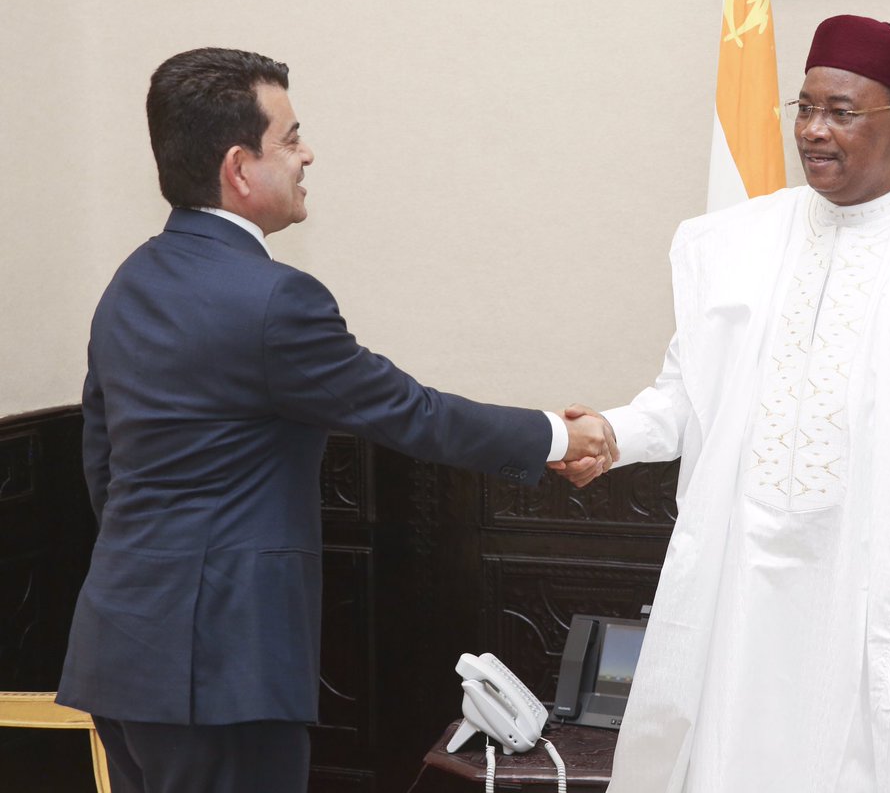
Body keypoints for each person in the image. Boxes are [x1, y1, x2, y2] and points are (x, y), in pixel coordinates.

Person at [555, 15, 890, 793]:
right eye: (804, 108)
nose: (812, 130)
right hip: (744, 585)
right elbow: (682, 398)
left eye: (841, 112)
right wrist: (609, 433)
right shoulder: (734, 244)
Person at [57, 47, 615, 793]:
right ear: (239, 168)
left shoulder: (130, 281)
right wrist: (559, 435)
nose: (307, 154)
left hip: (120, 653)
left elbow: (103, 462)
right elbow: (410, 412)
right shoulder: (274, 300)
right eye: (290, 138)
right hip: (224, 673)